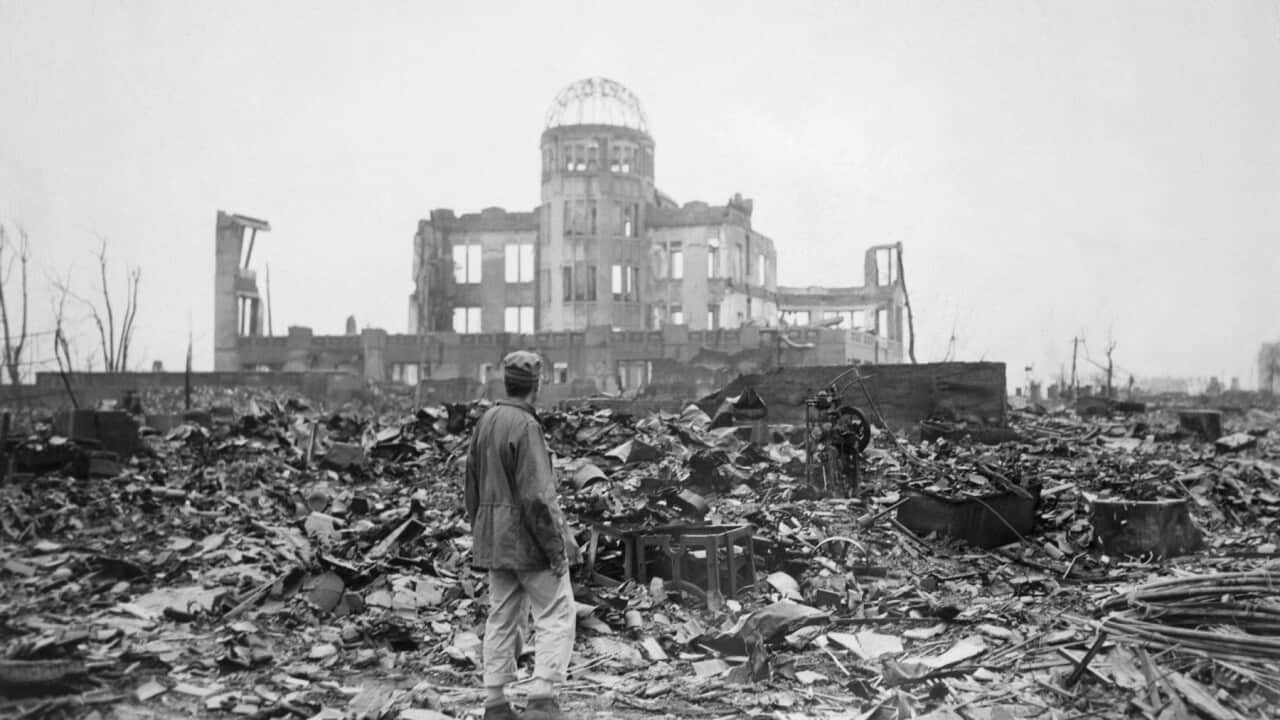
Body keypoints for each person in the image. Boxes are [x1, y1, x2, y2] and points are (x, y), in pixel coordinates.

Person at [465, 351, 580, 720]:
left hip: (495, 541)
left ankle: (495, 702)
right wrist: (556, 549)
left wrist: (482, 531)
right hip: (528, 542)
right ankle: (542, 699)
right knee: (557, 611)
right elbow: (537, 497)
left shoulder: (486, 421)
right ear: (537, 386)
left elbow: (471, 486)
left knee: (502, 616)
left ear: (507, 382)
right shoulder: (526, 427)